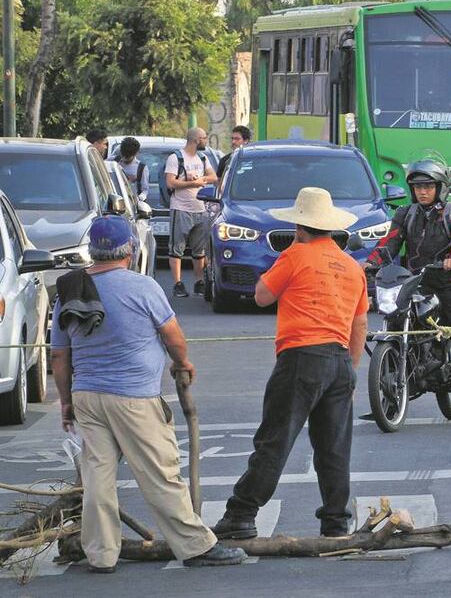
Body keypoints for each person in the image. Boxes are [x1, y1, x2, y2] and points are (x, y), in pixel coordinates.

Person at [51, 215, 246, 571]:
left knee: (97, 476)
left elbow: (60, 356)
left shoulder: (69, 290)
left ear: (92, 251)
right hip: (133, 397)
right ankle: (195, 547)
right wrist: (182, 363)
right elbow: (172, 335)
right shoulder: (142, 287)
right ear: (131, 248)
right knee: (160, 472)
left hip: (87, 397)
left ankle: (100, 553)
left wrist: (66, 402)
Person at [213, 187, 368, 539]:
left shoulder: (296, 255)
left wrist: (282, 263)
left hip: (301, 356)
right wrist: (351, 370)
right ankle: (335, 520)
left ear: (300, 225)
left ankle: (241, 514)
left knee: (275, 439)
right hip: (340, 359)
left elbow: (262, 295)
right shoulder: (350, 265)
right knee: (333, 448)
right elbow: (360, 323)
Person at [365, 157, 451, 424]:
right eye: (417, 187)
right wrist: (371, 263)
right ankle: (389, 398)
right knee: (394, 320)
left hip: (449, 282)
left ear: (440, 187)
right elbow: (390, 243)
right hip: (414, 280)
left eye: (428, 186)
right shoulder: (406, 213)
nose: (422, 191)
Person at [164, 127, 217, 298]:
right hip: (181, 208)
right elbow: (170, 183)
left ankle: (199, 281)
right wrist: (190, 183)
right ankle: (177, 283)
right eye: (204, 138)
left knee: (199, 249)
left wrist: (202, 180)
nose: (206, 140)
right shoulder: (175, 158)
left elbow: (213, 177)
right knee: (176, 248)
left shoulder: (202, 157)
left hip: (200, 208)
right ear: (196, 140)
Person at [110, 136, 150, 202]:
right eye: (124, 156)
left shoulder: (141, 168)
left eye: (129, 157)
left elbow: (145, 190)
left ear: (136, 153)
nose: (125, 159)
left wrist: (139, 198)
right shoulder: (112, 162)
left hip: (132, 203)